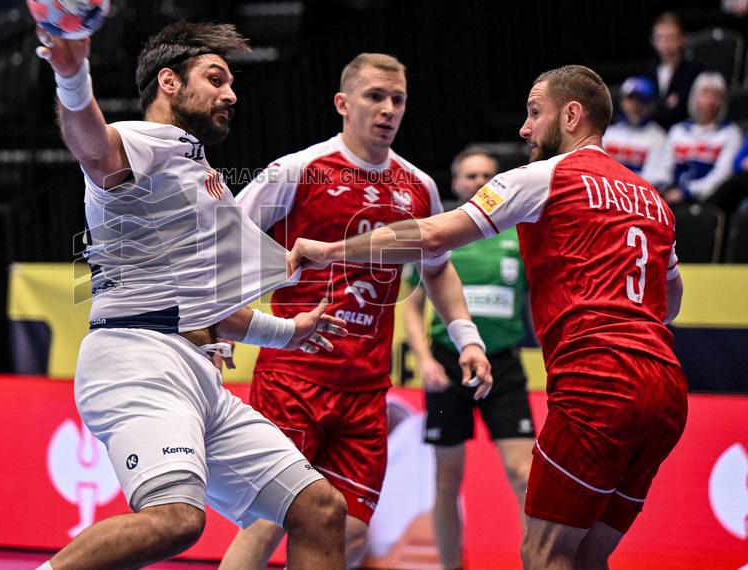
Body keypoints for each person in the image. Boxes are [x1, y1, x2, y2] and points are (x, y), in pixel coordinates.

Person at [288, 65, 688, 569]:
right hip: (666, 389)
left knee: (543, 553)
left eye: (534, 113)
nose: (524, 129)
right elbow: (669, 302)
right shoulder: (652, 199)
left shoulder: (543, 177)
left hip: (599, 379)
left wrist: (331, 250)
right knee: (587, 555)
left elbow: (431, 236)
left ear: (571, 114)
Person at [32, 22, 351, 570]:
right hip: (138, 360)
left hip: (199, 375)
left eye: (231, 82)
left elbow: (212, 309)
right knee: (176, 519)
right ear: (169, 83)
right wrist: (71, 75)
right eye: (215, 78)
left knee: (320, 508)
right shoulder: (142, 142)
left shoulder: (199, 170)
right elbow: (90, 145)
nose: (231, 94)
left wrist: (291, 332)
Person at [221, 54, 491, 569]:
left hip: (366, 390)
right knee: (266, 521)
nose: (388, 109)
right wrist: (222, 331)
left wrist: (467, 338)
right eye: (375, 96)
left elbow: (436, 269)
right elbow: (228, 244)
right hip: (293, 378)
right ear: (343, 103)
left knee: (349, 536)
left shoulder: (419, 188)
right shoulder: (296, 171)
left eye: (398, 99)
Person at [402, 147, 534, 570]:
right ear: (456, 183)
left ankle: (539, 561)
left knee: (526, 477)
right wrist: (424, 359)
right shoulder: (441, 233)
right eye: (470, 176)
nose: (478, 182)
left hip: (504, 367)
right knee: (446, 480)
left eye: (487, 176)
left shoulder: (520, 236)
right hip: (447, 365)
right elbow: (411, 304)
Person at [658, 71, 743, 204]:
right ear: (694, 96)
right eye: (706, 94)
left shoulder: (731, 133)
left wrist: (687, 192)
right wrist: (662, 186)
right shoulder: (678, 130)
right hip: (671, 195)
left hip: (705, 200)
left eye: (717, 96)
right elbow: (664, 167)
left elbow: (721, 176)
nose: (711, 101)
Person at [602, 76, 669, 185]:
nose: (634, 106)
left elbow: (658, 177)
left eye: (641, 101)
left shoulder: (658, 137)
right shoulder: (608, 133)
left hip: (637, 196)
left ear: (651, 105)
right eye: (630, 99)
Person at [646, 12, 703, 128]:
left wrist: (656, 108)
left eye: (670, 37)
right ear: (653, 41)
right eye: (660, 38)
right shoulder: (648, 70)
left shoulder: (694, 72)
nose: (665, 43)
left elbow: (683, 110)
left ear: (682, 39)